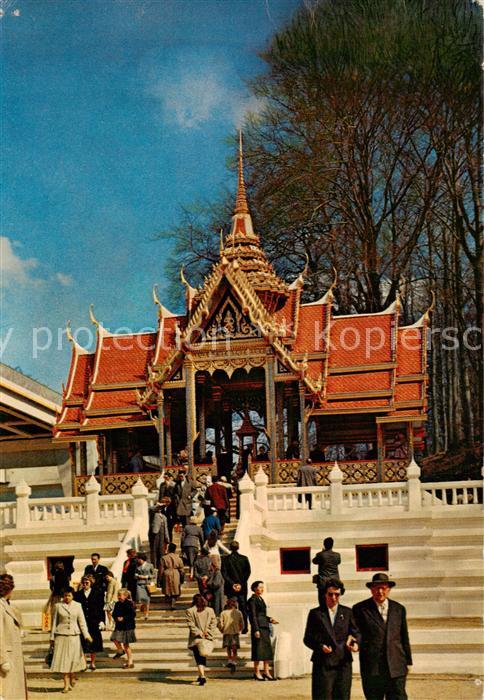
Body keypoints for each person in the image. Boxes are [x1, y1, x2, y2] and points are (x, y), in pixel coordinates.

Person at [353, 573, 412, 700]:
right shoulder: (360, 609)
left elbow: (403, 636)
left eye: (383, 588)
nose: (380, 591)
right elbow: (357, 632)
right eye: (376, 588)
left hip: (396, 666)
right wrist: (356, 642)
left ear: (389, 589)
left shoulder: (399, 609)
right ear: (371, 589)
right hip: (372, 667)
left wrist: (408, 661)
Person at [303, 578, 360, 700]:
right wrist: (320, 646)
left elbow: (356, 633)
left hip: (343, 663)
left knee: (342, 696)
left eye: (337, 594)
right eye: (330, 594)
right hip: (323, 663)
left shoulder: (348, 612)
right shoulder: (316, 613)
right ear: (325, 594)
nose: (334, 598)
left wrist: (355, 643)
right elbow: (307, 638)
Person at [50, 586, 93, 693]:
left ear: (72, 596)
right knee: (64, 661)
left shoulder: (78, 606)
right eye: (65, 596)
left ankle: (73, 675)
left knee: (73, 660)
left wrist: (86, 635)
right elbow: (54, 622)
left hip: (74, 636)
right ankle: (65, 685)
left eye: (69, 595)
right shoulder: (58, 606)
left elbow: (82, 622)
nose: (67, 598)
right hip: (61, 635)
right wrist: (52, 637)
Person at [0, 576, 28, 700]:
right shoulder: (0, 607)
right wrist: (2, 660)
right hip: (7, 657)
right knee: (7, 693)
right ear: (9, 590)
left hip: (14, 655)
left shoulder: (7, 605)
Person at [247, 580, 278, 681]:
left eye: (262, 587)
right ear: (255, 588)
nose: (262, 589)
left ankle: (266, 671)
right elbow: (253, 615)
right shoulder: (252, 600)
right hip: (258, 627)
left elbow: (262, 614)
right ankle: (256, 672)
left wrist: (270, 619)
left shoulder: (261, 599)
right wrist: (255, 629)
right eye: (260, 587)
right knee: (258, 650)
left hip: (265, 626)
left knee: (266, 651)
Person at [186, 593, 218, 686]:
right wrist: (207, 632)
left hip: (196, 638)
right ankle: (201, 675)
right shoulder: (210, 610)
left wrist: (199, 633)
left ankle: (202, 675)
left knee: (198, 657)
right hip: (207, 636)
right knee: (202, 656)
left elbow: (191, 624)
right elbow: (214, 622)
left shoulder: (190, 611)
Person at [73, 576, 104, 670]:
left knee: (93, 642)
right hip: (82, 621)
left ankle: (93, 662)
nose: (85, 585)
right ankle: (85, 663)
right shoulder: (78, 594)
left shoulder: (97, 593)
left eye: (87, 583)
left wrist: (102, 620)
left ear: (91, 583)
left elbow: (100, 608)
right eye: (83, 583)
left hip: (93, 621)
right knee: (83, 642)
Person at [221, 540, 251, 634]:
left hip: (231, 587)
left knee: (231, 607)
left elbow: (224, 574)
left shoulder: (225, 559)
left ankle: (231, 626)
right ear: (238, 548)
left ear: (230, 548)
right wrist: (240, 584)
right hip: (242, 587)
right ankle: (245, 627)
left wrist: (232, 584)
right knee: (243, 607)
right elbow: (248, 572)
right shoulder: (244, 558)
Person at [111, 588, 136, 668]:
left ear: (125, 596)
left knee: (126, 645)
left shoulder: (129, 603)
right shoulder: (117, 604)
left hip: (127, 626)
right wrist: (116, 618)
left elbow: (132, 614)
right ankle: (120, 651)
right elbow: (114, 613)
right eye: (118, 595)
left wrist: (124, 618)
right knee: (114, 638)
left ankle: (130, 661)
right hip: (119, 625)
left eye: (120, 595)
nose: (118, 597)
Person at [313, 538, 341, 607]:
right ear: (332, 545)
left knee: (322, 603)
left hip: (323, 582)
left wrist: (323, 552)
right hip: (335, 582)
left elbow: (314, 561)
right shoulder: (337, 555)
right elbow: (338, 562)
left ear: (324, 544)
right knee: (334, 602)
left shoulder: (320, 554)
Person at [218, 597, 244, 673]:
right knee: (231, 647)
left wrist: (221, 629)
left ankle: (232, 659)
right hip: (230, 631)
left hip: (231, 631)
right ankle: (231, 660)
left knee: (231, 647)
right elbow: (220, 622)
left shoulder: (237, 612)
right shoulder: (226, 612)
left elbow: (241, 622)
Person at [158, 543, 185, 610]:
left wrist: (159, 579)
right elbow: (182, 570)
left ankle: (169, 601)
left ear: (168, 549)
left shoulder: (164, 558)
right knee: (175, 589)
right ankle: (173, 602)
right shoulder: (178, 558)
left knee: (168, 588)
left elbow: (161, 570)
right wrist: (182, 578)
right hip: (176, 573)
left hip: (167, 573)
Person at [148, 503, 170, 568]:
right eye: (159, 508)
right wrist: (158, 505)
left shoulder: (164, 517)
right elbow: (151, 509)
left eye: (161, 508)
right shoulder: (153, 514)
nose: (160, 509)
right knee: (154, 551)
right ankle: (154, 566)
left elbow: (166, 528)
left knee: (161, 552)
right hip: (154, 534)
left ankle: (160, 566)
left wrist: (167, 539)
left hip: (162, 535)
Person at [135, 553, 154, 621]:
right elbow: (135, 574)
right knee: (141, 598)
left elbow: (153, 575)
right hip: (139, 584)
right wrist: (138, 576)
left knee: (147, 599)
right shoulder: (137, 566)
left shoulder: (150, 565)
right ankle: (143, 610)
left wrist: (146, 577)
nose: (138, 560)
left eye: (139, 559)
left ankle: (146, 613)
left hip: (147, 584)